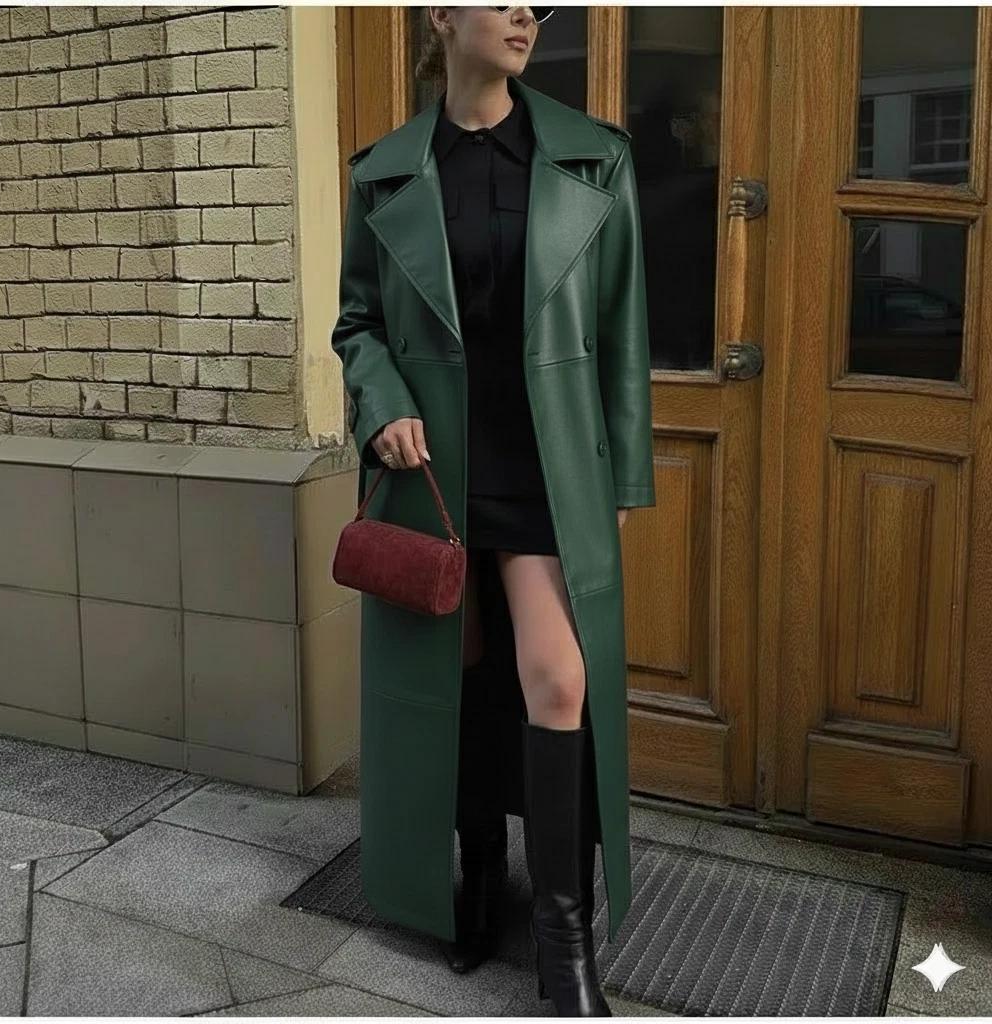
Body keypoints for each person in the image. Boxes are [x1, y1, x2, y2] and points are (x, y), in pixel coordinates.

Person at [332, 6, 655, 1017]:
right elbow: (357, 323)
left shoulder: (592, 158)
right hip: (434, 472)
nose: (524, 13)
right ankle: (473, 878)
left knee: (557, 678)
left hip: (546, 468)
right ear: (440, 14)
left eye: (537, 3)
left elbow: (623, 329)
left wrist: (622, 482)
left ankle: (564, 934)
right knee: (461, 678)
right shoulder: (383, 172)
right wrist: (382, 403)